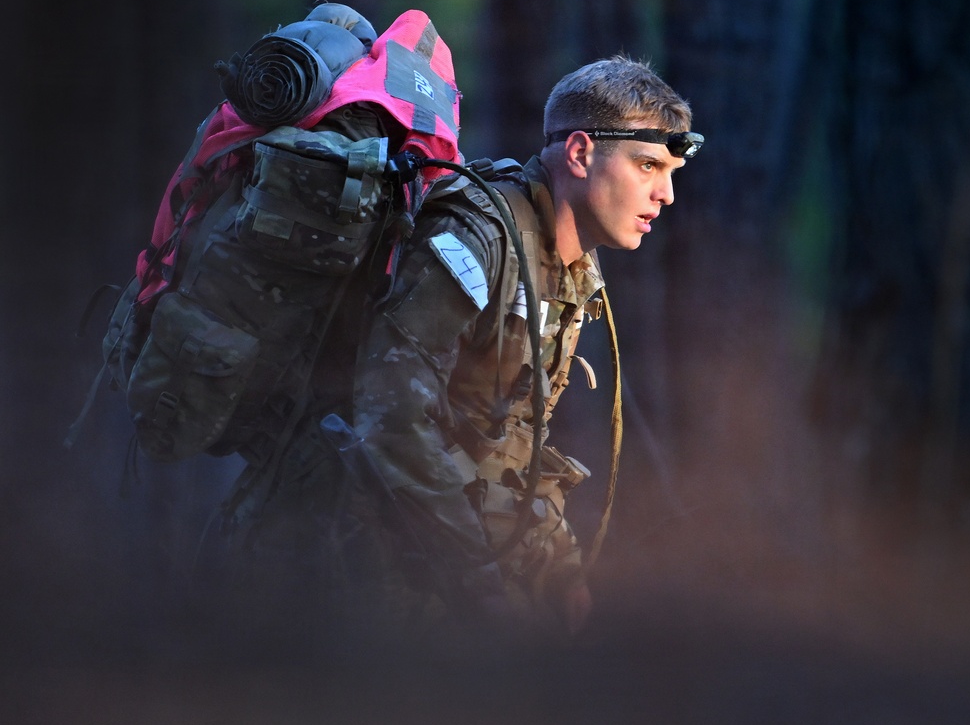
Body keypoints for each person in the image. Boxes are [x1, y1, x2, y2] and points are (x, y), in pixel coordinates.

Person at [225, 52, 700, 633]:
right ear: (580, 153)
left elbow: (510, 443)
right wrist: (480, 580)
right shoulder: (476, 236)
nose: (666, 194)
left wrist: (557, 566)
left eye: (671, 172)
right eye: (648, 165)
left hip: (416, 551)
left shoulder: (570, 270)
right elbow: (388, 414)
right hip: (339, 558)